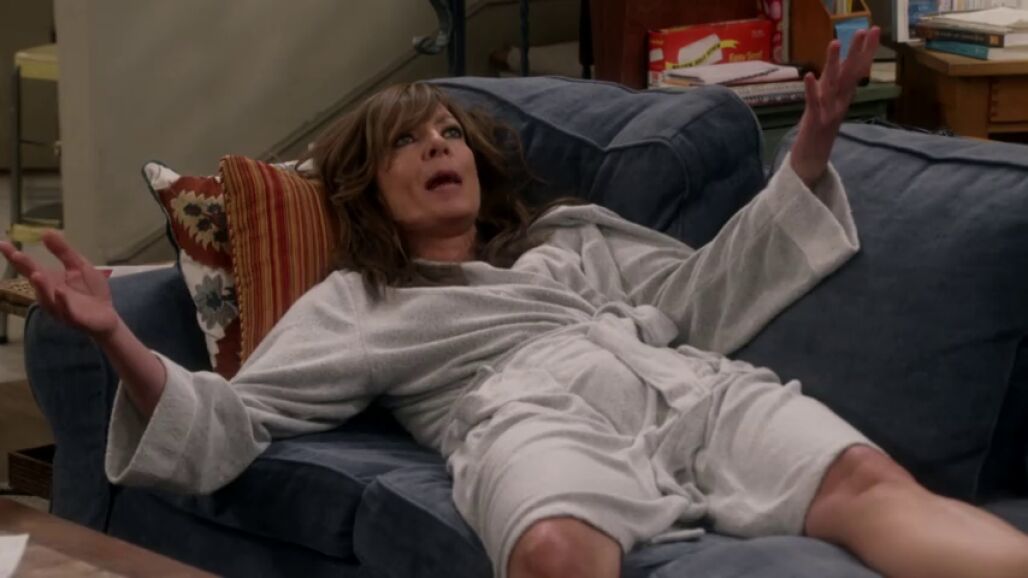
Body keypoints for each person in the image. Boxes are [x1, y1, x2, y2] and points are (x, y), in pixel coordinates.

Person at [3, 28, 1027, 578]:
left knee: (866, 480)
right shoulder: (361, 301)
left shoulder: (569, 239)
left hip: (684, 385)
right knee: (550, 551)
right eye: (407, 143)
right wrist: (116, 335)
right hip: (523, 415)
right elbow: (231, 418)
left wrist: (804, 156)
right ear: (367, 188)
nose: (437, 145)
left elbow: (703, 295)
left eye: (448, 133)